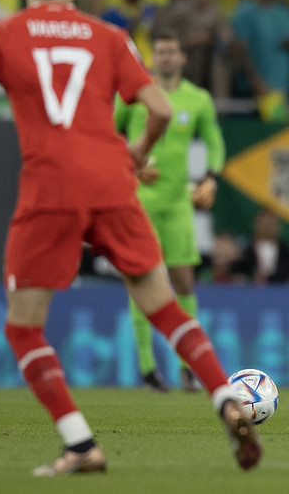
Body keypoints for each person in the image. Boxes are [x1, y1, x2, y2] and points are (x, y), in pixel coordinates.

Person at [0, 0, 260, 475]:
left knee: (24, 328)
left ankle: (80, 445)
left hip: (50, 190)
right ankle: (223, 396)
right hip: (112, 184)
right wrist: (137, 153)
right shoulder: (109, 35)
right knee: (165, 306)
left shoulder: (0, 33)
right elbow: (159, 109)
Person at [113, 29, 225, 393]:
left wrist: (211, 178)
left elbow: (214, 141)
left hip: (178, 203)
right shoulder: (132, 95)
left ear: (182, 58)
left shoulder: (198, 99)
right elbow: (105, 135)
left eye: (171, 51)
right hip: (138, 202)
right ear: (152, 57)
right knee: (140, 281)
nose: (165, 57)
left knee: (183, 282)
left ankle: (186, 368)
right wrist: (128, 164)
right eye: (159, 52)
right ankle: (148, 367)